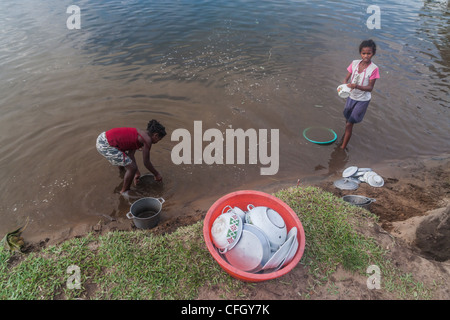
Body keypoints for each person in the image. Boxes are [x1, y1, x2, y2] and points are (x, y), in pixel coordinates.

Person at [96, 119, 166, 195]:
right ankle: (124, 191)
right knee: (132, 167)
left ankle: (122, 174)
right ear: (155, 135)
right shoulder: (147, 140)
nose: (157, 141)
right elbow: (146, 162)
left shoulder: (140, 134)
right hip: (105, 145)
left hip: (102, 138)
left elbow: (131, 155)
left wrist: (137, 173)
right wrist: (157, 174)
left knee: (127, 163)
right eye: (159, 139)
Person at [340, 39, 380, 150]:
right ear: (360, 53)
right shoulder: (354, 63)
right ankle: (346, 134)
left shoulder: (374, 69)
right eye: (364, 53)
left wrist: (356, 86)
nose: (366, 56)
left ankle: (342, 148)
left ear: (373, 53)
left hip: (362, 100)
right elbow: (346, 78)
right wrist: (344, 85)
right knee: (347, 119)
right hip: (351, 96)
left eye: (369, 53)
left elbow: (370, 88)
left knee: (349, 124)